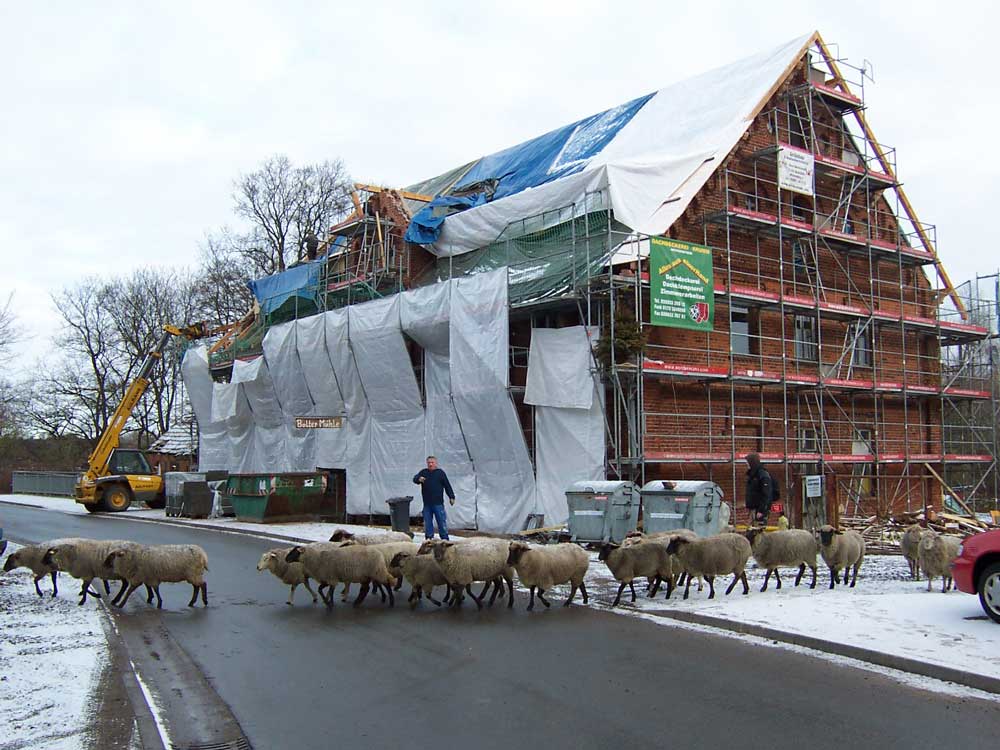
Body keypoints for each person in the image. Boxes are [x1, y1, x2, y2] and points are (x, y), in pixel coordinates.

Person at [412, 455, 455, 540]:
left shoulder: (440, 473)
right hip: (427, 504)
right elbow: (415, 479)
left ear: (436, 463)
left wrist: (451, 496)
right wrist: (418, 479)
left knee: (441, 522)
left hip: (438, 504)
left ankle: (445, 539)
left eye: (432, 462)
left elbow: (447, 485)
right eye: (429, 463)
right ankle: (429, 539)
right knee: (428, 523)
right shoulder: (424, 472)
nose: (430, 464)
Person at [744, 452, 774, 526]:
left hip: (759, 511)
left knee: (758, 530)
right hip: (753, 509)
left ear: (752, 462)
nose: (746, 464)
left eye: (748, 462)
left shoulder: (762, 475)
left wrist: (761, 510)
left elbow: (766, 494)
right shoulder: (752, 475)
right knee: (750, 530)